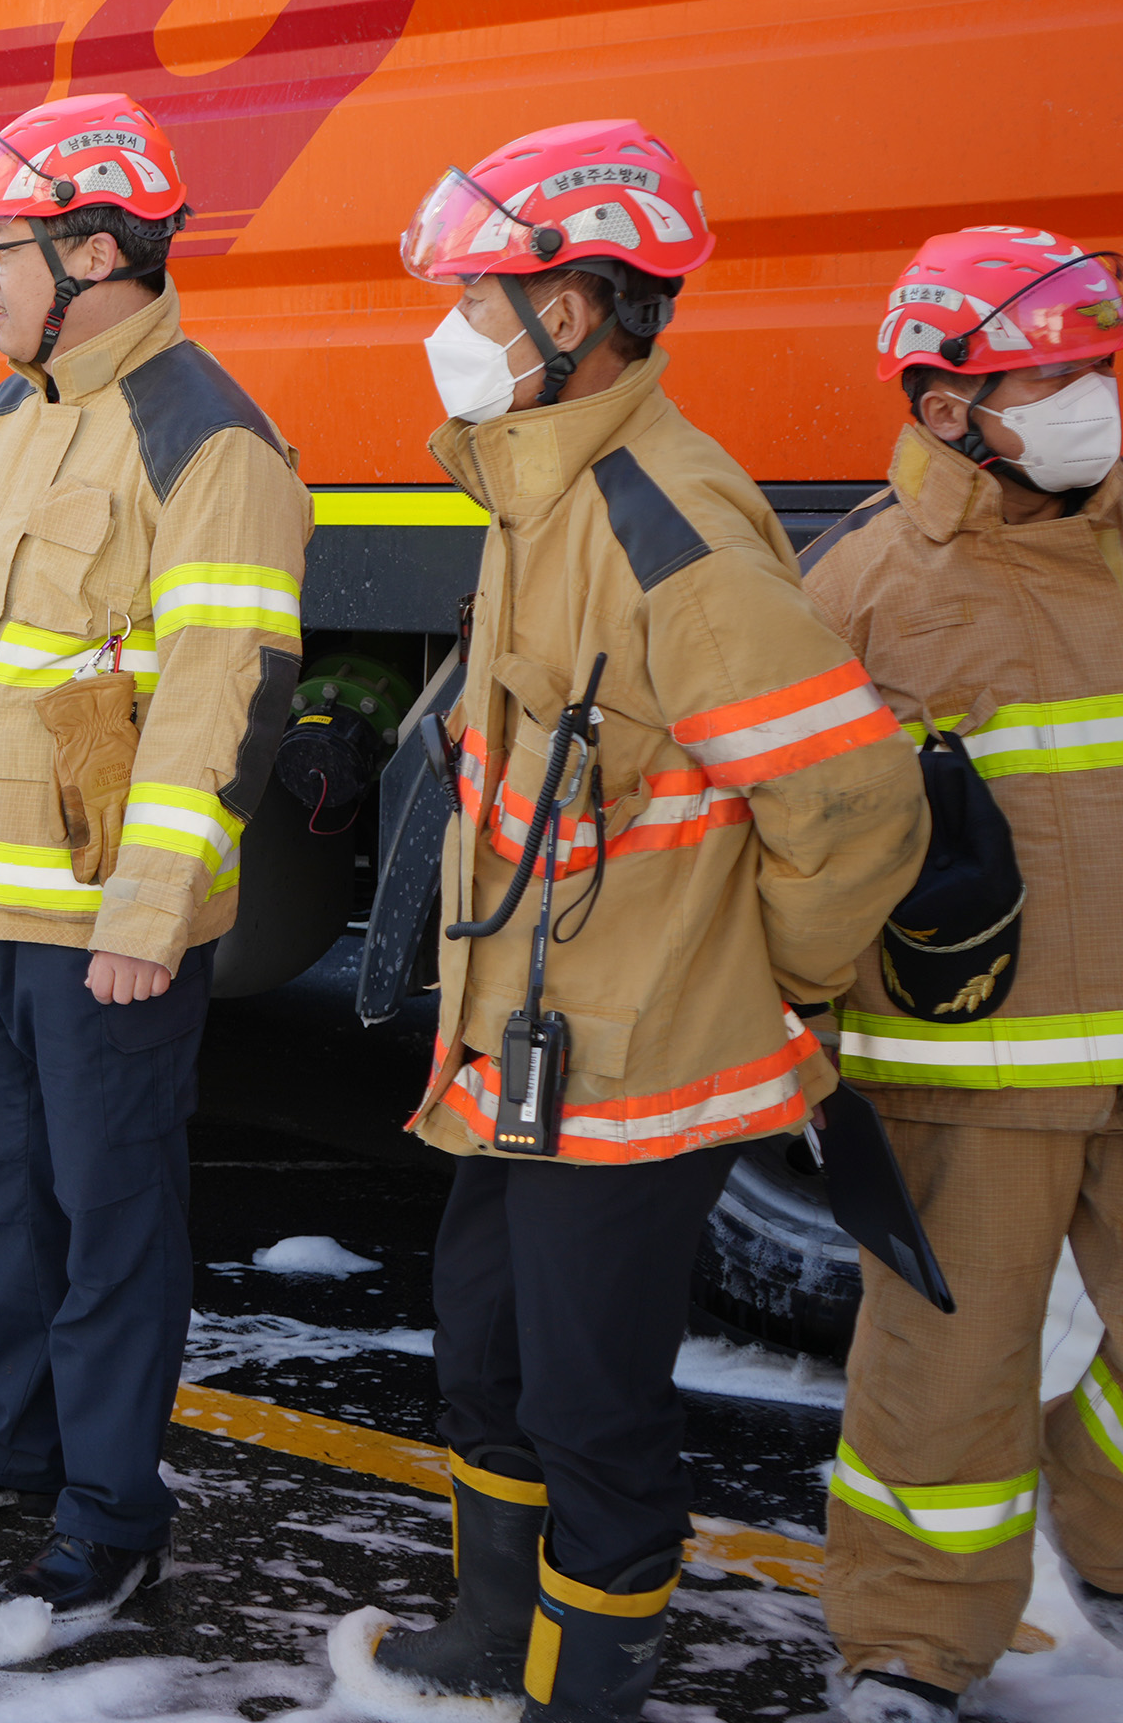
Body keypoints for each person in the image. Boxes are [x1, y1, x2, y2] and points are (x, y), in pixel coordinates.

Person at [330, 120, 925, 1723]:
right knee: (486, 1351)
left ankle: (589, 1677)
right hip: (523, 1049)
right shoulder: (542, 490)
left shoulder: (674, 529)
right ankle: (491, 1630)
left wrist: (770, 982)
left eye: (482, 290)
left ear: (576, 311)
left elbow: (855, 802)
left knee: (592, 1401)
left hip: (639, 1058)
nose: (452, 319)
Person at [0, 92, 312, 1634]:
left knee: (112, 1220)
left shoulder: (209, 436)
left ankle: (110, 1508)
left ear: (96, 250)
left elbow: (221, 697)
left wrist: (149, 914)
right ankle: (12, 1447)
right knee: (2, 1199)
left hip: (101, 927)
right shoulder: (3, 417)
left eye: (5, 247)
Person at [798, 227, 1123, 1722]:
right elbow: (799, 844)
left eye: (1096, 366)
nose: (1089, 397)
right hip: (967, 1068)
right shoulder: (861, 591)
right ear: (947, 406)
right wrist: (793, 1025)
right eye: (1051, 374)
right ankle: (912, 1649)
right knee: (948, 1372)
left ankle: (1111, 1554)